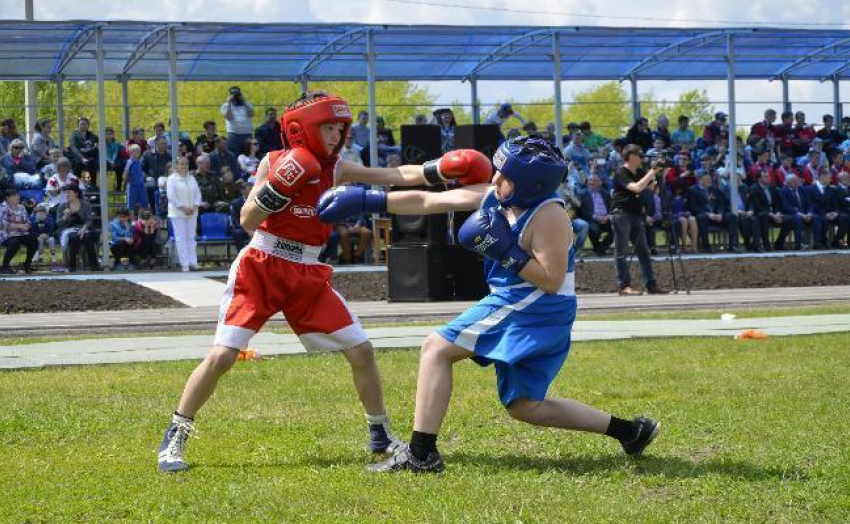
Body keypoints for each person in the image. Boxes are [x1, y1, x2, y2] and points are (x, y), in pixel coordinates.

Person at [156, 91, 490, 473]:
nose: (336, 136)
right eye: (327, 128)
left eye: (339, 128)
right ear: (303, 130)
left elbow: (394, 176)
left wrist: (441, 169)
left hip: (308, 272)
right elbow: (248, 219)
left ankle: (379, 433)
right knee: (224, 355)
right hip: (262, 264)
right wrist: (277, 190)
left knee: (361, 351)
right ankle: (175, 434)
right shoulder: (274, 161)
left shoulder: (337, 169)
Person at [317, 137, 661, 473]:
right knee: (524, 406)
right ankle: (630, 431)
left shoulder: (549, 216)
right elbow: (426, 201)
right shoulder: (499, 197)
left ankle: (421, 454)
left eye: (504, 176)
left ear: (529, 183)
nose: (494, 179)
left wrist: (504, 251)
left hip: (534, 303)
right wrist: (367, 201)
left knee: (436, 348)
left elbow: (552, 281)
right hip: (527, 303)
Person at [610, 145, 667, 295]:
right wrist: (652, 171)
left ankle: (651, 284)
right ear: (631, 156)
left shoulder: (641, 172)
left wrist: (660, 174)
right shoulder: (621, 172)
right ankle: (624, 285)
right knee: (621, 251)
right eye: (640, 155)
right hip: (621, 214)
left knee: (643, 251)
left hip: (636, 214)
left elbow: (655, 189)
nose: (642, 157)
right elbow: (636, 188)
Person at [166, 156, 201, 273]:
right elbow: (171, 196)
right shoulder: (171, 179)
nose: (184, 166)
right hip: (177, 213)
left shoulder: (192, 178)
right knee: (181, 238)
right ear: (176, 166)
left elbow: (198, 194)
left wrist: (195, 206)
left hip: (192, 212)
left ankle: (193, 262)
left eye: (186, 164)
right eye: (182, 164)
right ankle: (184, 264)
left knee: (191, 237)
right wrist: (183, 207)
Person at [55, 184, 100, 272]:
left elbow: (89, 220)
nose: (67, 195)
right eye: (66, 193)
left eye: (69, 193)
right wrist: (65, 217)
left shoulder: (86, 205)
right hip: (68, 229)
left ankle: (94, 266)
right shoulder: (62, 206)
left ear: (76, 193)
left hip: (85, 228)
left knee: (87, 238)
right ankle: (72, 267)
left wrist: (84, 229)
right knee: (74, 238)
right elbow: (58, 224)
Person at [0, 189, 38, 274]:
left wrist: (27, 226)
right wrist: (19, 226)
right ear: (7, 198)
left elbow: (27, 221)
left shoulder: (21, 207)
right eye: (14, 195)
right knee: (14, 243)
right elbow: (2, 224)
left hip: (20, 233)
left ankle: (26, 265)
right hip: (6, 235)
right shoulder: (2, 207)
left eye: (18, 195)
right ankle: (5, 267)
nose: (18, 197)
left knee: (33, 238)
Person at [221, 86, 255, 158]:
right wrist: (229, 103)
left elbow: (251, 114)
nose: (236, 97)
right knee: (233, 156)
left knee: (248, 156)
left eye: (237, 94)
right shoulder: (226, 106)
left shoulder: (248, 104)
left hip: (247, 135)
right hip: (234, 135)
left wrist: (244, 102)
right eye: (234, 95)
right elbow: (229, 117)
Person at [68, 117, 99, 184]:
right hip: (77, 156)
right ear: (78, 125)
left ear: (88, 126)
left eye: (85, 124)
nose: (83, 126)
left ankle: (93, 185)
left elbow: (100, 141)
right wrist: (82, 158)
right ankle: (76, 184)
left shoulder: (91, 135)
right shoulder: (74, 135)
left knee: (93, 162)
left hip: (88, 156)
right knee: (77, 164)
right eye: (81, 124)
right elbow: (73, 148)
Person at [124, 144, 148, 218]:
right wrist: (127, 181)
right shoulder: (129, 162)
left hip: (140, 185)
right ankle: (132, 220)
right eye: (136, 151)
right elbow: (126, 172)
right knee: (131, 204)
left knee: (144, 202)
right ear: (131, 152)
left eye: (139, 151)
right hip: (132, 185)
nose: (138, 153)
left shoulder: (139, 161)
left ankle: (139, 218)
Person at [105, 127, 128, 191]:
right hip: (106, 160)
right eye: (107, 134)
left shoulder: (116, 144)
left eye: (110, 134)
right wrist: (110, 161)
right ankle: (104, 185)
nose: (108, 135)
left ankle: (119, 185)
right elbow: (105, 154)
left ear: (113, 135)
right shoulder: (102, 144)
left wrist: (113, 161)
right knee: (104, 165)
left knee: (119, 165)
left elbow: (115, 153)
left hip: (114, 160)